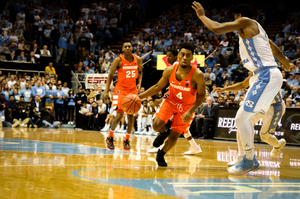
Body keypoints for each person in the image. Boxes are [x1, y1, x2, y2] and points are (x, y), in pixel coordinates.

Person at [192, 2, 296, 175]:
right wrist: (286, 63)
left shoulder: (247, 22)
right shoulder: (259, 31)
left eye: (234, 20)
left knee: (241, 118)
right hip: (261, 75)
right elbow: (275, 50)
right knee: (242, 119)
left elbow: (217, 28)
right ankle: (245, 157)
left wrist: (202, 15)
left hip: (266, 74)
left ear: (238, 16)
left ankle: (249, 160)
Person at [138, 42, 206, 166]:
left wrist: (190, 111)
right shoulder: (170, 70)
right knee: (156, 125)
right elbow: (158, 86)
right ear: (178, 56)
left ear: (192, 58)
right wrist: (139, 97)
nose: (185, 57)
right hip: (170, 102)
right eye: (183, 54)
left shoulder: (198, 75)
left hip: (186, 108)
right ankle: (164, 133)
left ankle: (161, 154)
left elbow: (202, 96)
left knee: (174, 138)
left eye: (188, 55)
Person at [214, 72, 287, 167]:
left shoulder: (270, 74)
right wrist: (224, 89)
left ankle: (278, 145)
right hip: (260, 105)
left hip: (274, 107)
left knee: (264, 136)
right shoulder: (254, 73)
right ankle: (240, 156)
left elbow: (262, 94)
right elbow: (243, 85)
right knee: (242, 123)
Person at [149, 48, 202, 155]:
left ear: (175, 56)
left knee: (183, 130)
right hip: (174, 102)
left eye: (169, 56)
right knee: (167, 125)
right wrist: (162, 99)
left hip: (186, 104)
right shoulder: (172, 69)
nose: (167, 58)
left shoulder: (181, 68)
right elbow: (172, 90)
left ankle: (192, 147)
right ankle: (192, 146)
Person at [104, 41, 143, 150]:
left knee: (131, 116)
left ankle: (126, 140)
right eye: (125, 46)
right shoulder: (118, 60)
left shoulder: (138, 59)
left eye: (129, 46)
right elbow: (110, 75)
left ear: (132, 48)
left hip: (132, 91)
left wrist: (139, 83)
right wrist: (107, 91)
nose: (127, 48)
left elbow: (140, 72)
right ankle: (110, 137)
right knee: (119, 115)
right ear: (122, 49)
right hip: (120, 91)